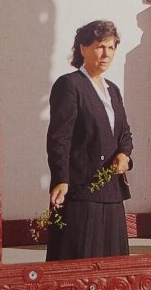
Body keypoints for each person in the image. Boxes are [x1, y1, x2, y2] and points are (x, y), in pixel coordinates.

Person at [46, 20, 133, 261]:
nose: (106, 53)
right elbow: (59, 138)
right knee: (79, 262)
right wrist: (61, 179)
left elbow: (124, 133)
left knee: (112, 266)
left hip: (111, 192)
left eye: (111, 47)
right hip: (81, 190)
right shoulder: (69, 85)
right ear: (83, 48)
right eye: (99, 46)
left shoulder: (112, 90)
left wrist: (124, 155)